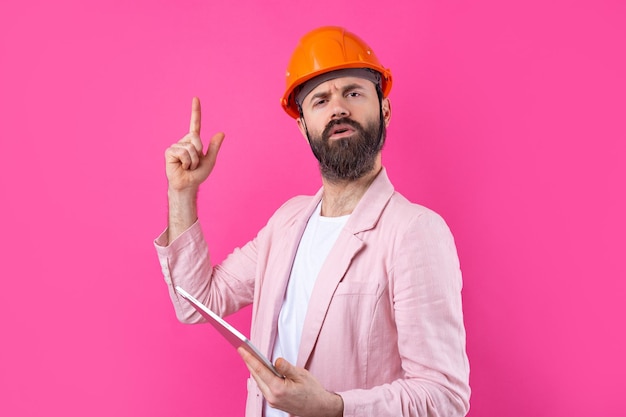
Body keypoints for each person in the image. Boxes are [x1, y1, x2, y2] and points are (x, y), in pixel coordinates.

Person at [155, 26, 470, 417]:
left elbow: (444, 397)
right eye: (320, 99)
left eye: (353, 92)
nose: (338, 108)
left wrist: (334, 408)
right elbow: (197, 302)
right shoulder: (287, 222)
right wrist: (182, 193)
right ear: (303, 125)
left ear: (384, 109)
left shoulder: (415, 232)